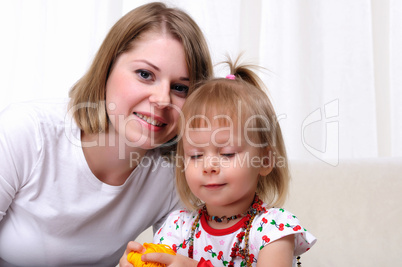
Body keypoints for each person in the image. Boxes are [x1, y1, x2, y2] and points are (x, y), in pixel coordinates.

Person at [0, 2, 213, 266]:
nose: (162, 99)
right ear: (107, 68)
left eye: (180, 88)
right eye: (145, 74)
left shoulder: (176, 176)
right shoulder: (26, 132)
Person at [121, 58, 316, 267]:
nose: (209, 166)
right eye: (195, 155)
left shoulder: (273, 229)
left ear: (265, 160)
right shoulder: (178, 227)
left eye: (227, 154)